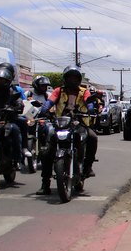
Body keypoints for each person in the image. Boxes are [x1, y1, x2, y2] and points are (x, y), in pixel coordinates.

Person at [34, 66, 99, 195]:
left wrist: (91, 109)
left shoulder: (84, 92)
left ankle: (88, 167)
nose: (72, 80)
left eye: (75, 77)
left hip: (79, 123)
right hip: (61, 123)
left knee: (92, 137)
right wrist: (44, 110)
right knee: (47, 150)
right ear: (65, 78)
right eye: (70, 77)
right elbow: (50, 101)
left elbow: (89, 102)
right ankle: (45, 183)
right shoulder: (59, 91)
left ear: (79, 79)